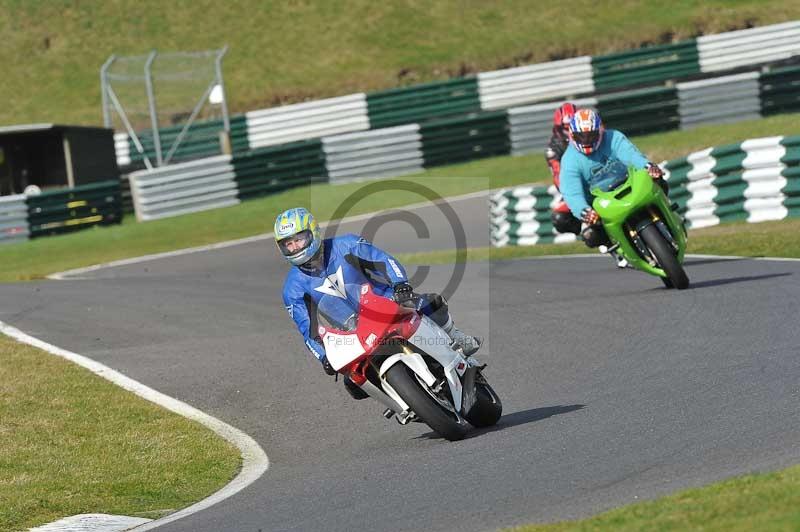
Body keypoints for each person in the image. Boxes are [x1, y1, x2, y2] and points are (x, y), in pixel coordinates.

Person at [275, 207, 481, 399]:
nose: (294, 247)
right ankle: (402, 401)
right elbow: (309, 330)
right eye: (288, 244)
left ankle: (455, 336)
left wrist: (401, 285)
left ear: (313, 232)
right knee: (353, 385)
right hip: (352, 331)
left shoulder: (346, 244)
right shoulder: (292, 289)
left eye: (299, 240)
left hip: (387, 302)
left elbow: (383, 260)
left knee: (432, 302)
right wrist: (323, 357)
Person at [558, 108, 668, 266]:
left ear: (599, 131)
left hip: (628, 184)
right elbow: (571, 192)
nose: (587, 140)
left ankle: (667, 213)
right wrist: (584, 211)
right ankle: (615, 246)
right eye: (582, 136)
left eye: (591, 135)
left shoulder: (613, 138)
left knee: (660, 182)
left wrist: (647, 167)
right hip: (601, 202)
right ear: (573, 135)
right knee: (590, 236)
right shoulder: (569, 160)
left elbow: (631, 155)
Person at [544, 102, 581, 235]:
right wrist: (572, 193)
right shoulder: (553, 149)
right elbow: (558, 176)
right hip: (575, 187)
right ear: (559, 129)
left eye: (573, 126)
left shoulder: (592, 134)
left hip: (601, 178)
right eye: (566, 128)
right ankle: (591, 234)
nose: (570, 131)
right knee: (559, 218)